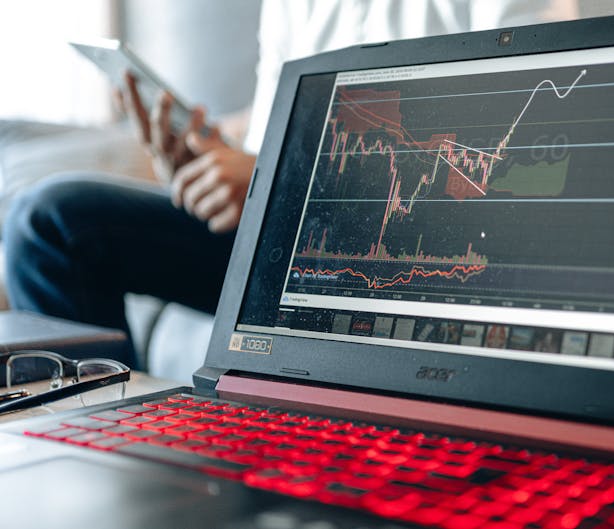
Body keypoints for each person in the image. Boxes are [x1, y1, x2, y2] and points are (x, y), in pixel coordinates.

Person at [2, 0, 577, 369]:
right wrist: (198, 160)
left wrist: (281, 183)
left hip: (403, 243)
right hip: (276, 229)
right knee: (50, 222)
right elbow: (269, 133)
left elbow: (506, 164)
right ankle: (109, 443)